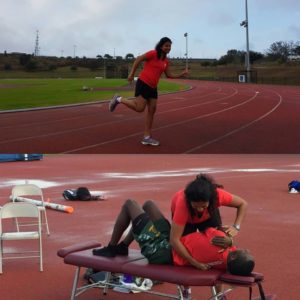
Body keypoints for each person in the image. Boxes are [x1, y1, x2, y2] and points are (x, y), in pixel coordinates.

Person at [92, 199, 254, 276]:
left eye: (244, 252)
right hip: (170, 244)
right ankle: (123, 246)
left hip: (161, 250)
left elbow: (209, 228)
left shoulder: (218, 242)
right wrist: (231, 240)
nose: (246, 249)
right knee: (148, 205)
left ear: (233, 258)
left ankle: (112, 248)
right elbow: (229, 248)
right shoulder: (225, 261)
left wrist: (227, 235)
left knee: (129, 204)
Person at [108, 37, 188, 146]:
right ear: (161, 46)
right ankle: (118, 99)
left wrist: (181, 74)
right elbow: (138, 59)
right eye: (166, 45)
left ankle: (147, 137)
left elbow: (169, 75)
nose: (168, 48)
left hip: (153, 87)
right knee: (139, 108)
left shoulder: (165, 61)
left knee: (152, 110)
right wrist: (131, 74)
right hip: (143, 83)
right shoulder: (153, 54)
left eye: (170, 46)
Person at [170, 173, 248, 271]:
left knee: (220, 241)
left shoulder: (218, 195)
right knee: (184, 251)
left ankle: (218, 286)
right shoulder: (182, 204)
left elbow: (243, 204)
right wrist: (194, 262)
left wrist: (236, 227)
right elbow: (174, 240)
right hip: (187, 220)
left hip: (209, 216)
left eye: (203, 206)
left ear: (210, 199)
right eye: (196, 206)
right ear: (189, 201)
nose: (199, 209)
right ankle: (185, 285)